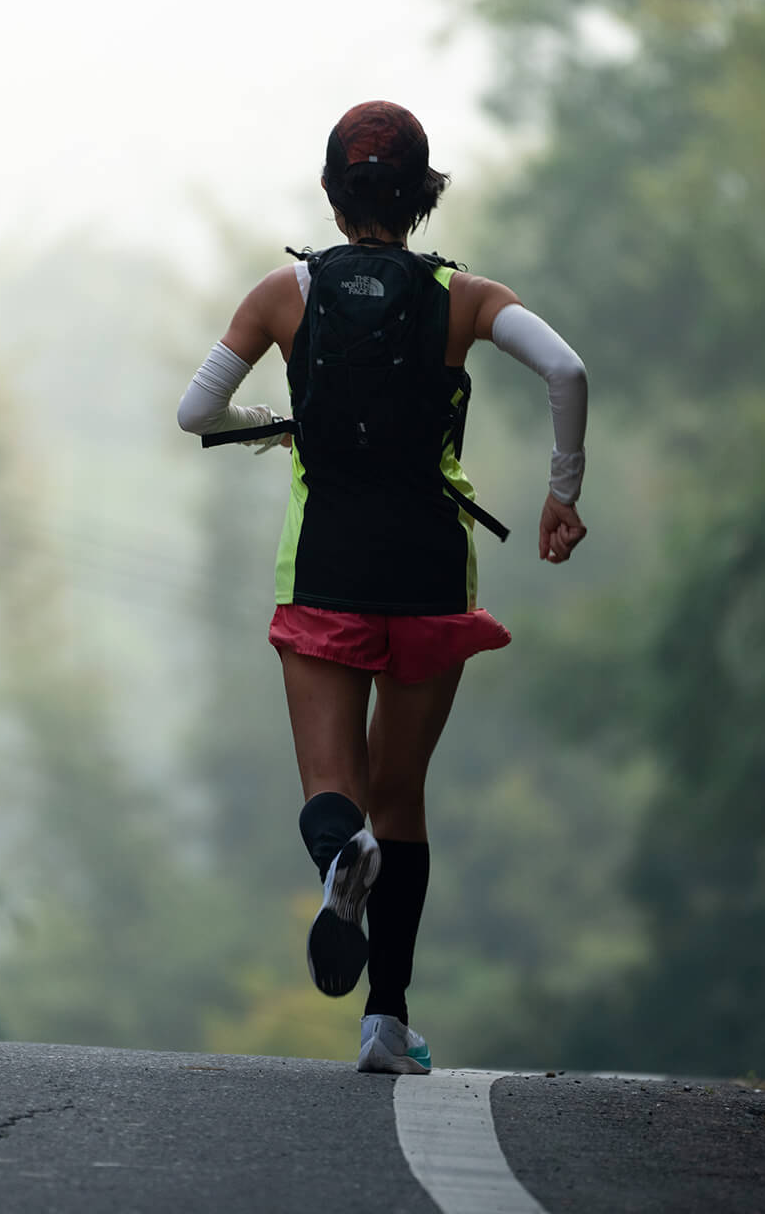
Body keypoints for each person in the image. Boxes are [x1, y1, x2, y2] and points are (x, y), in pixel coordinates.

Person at [176, 100, 588, 1074]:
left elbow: (197, 412)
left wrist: (283, 418)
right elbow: (567, 369)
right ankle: (386, 1023)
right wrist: (561, 493)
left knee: (337, 792)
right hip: (432, 573)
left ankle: (339, 855)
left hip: (325, 568)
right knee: (401, 794)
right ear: (422, 195)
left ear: (331, 190)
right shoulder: (469, 297)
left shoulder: (285, 293)